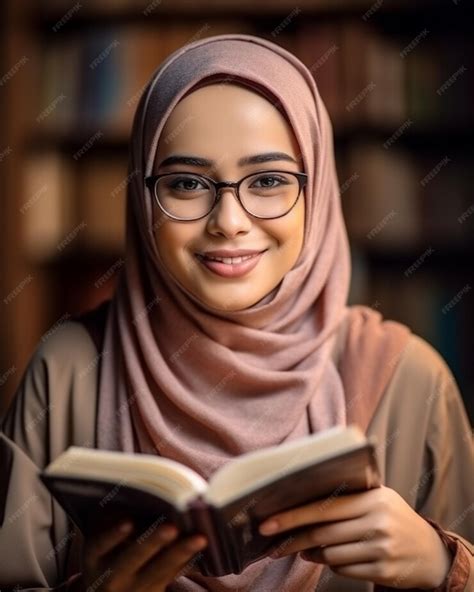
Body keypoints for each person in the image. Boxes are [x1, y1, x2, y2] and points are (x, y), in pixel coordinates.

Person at [0, 33, 473, 592]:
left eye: (270, 180)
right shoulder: (66, 371)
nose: (228, 220)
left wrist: (445, 568)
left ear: (316, 190)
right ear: (140, 196)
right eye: (185, 183)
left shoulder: (409, 378)